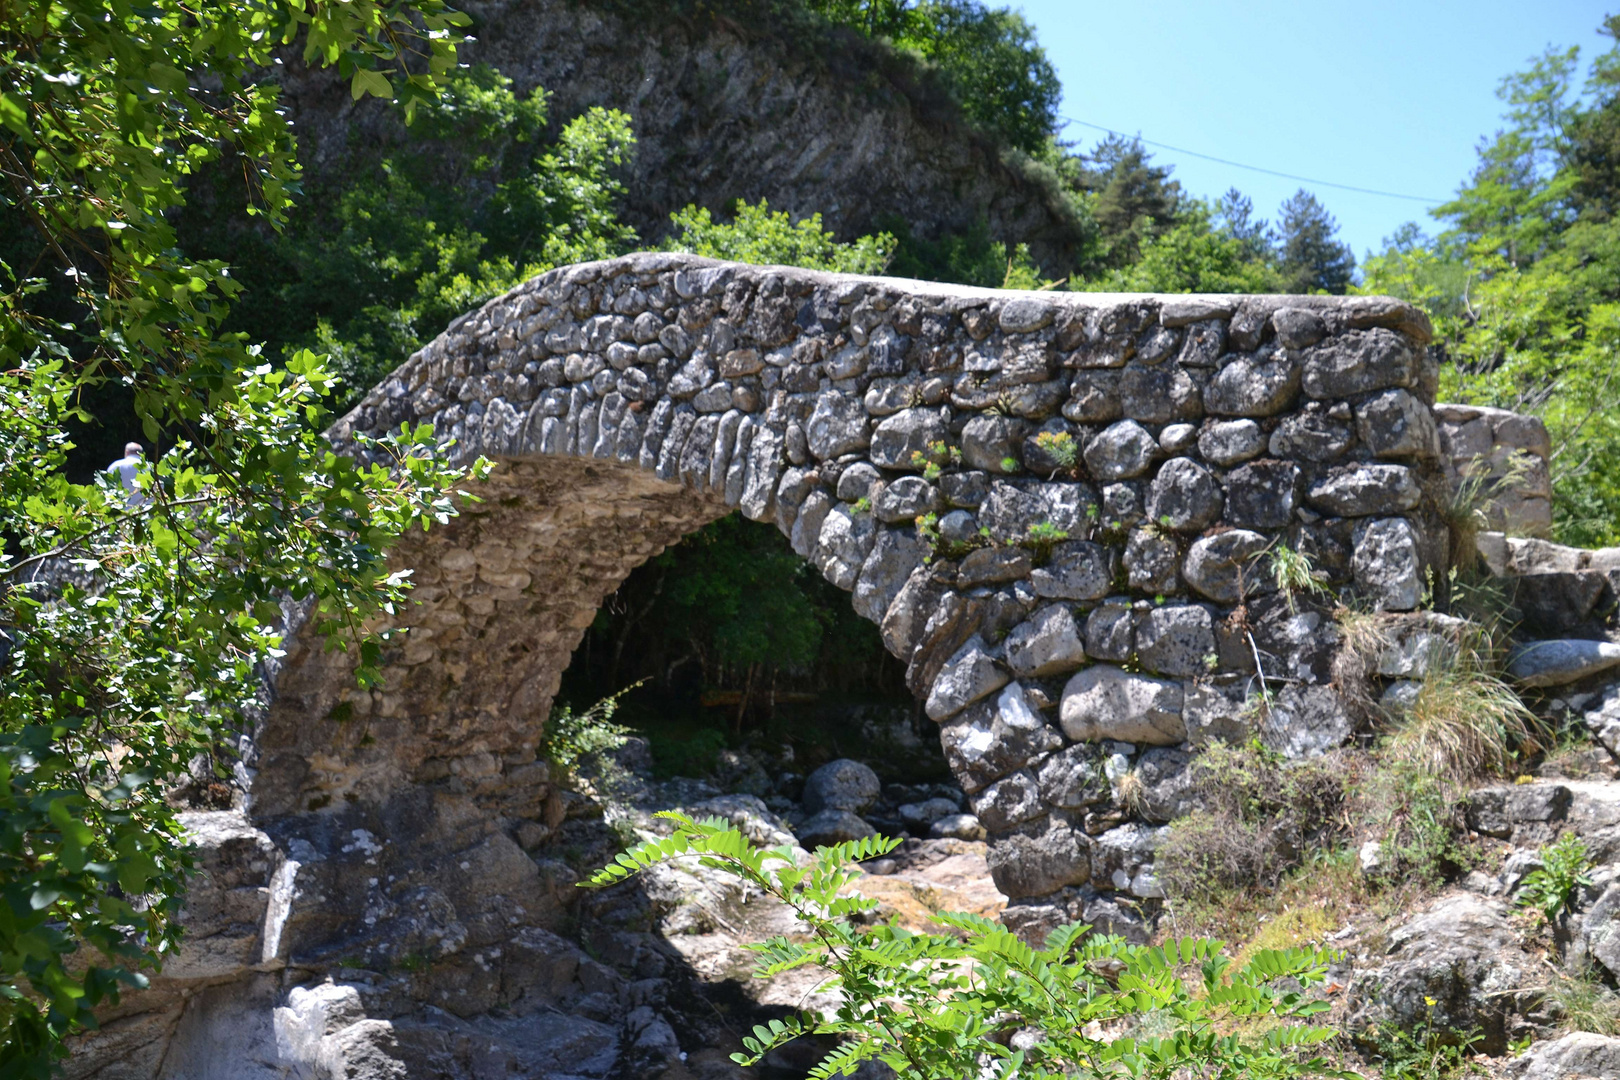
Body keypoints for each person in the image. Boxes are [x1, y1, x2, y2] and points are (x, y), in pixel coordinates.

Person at [108, 441, 148, 507]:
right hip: (146, 512)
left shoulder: (115, 466)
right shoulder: (150, 467)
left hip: (122, 514)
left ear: (126, 452)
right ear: (141, 453)